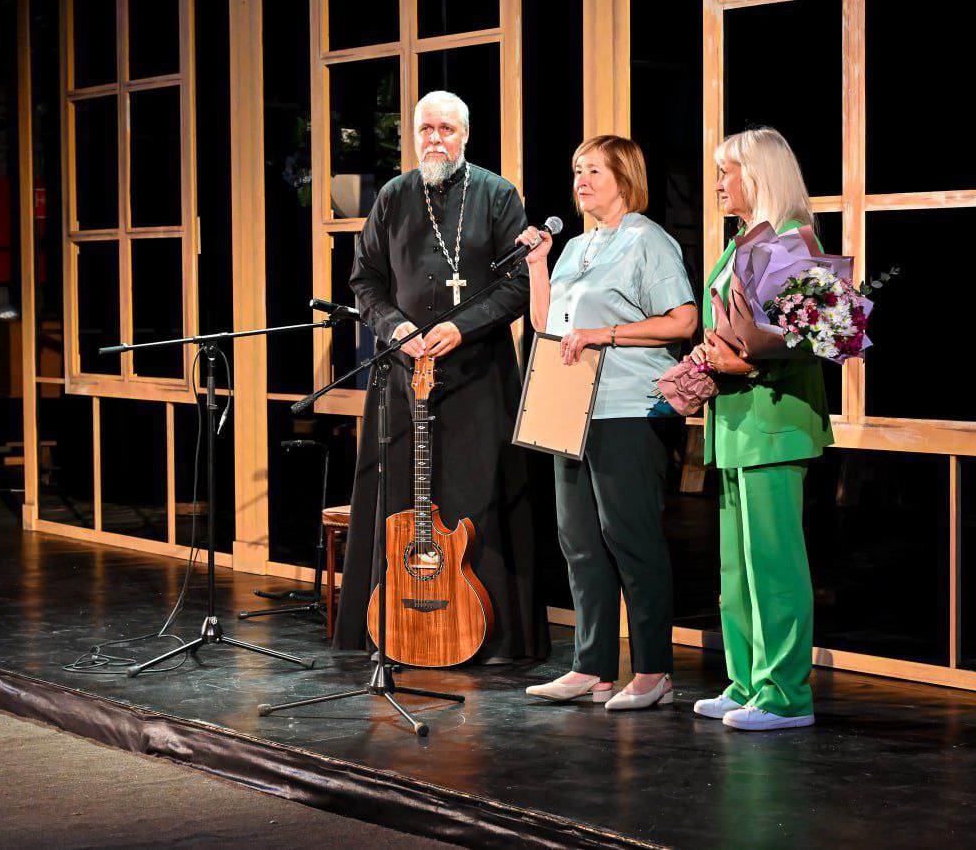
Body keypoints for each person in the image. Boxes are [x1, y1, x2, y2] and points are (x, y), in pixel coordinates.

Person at [333, 91, 549, 664]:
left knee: (477, 498)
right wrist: (396, 329)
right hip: (404, 375)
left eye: (446, 129)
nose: (435, 139)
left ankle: (493, 638)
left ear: (465, 136)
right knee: (400, 492)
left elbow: (517, 285)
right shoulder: (393, 196)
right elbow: (365, 282)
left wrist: (462, 327)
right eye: (425, 129)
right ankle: (394, 626)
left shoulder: (498, 195)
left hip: (478, 374)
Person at [517, 135, 697, 709]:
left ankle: (653, 672)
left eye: (594, 170)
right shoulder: (575, 247)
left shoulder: (650, 241)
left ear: (625, 177)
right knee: (579, 541)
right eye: (576, 171)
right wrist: (540, 266)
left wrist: (606, 334)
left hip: (626, 407)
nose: (582, 181)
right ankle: (591, 667)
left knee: (631, 539)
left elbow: (683, 322)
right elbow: (548, 325)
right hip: (570, 408)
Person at [689, 128, 832, 731]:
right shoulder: (739, 243)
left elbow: (818, 336)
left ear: (759, 176)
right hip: (735, 420)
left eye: (728, 171)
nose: (719, 183)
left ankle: (785, 694)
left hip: (773, 421)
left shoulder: (793, 242)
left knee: (773, 562)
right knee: (736, 565)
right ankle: (747, 680)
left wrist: (744, 359)